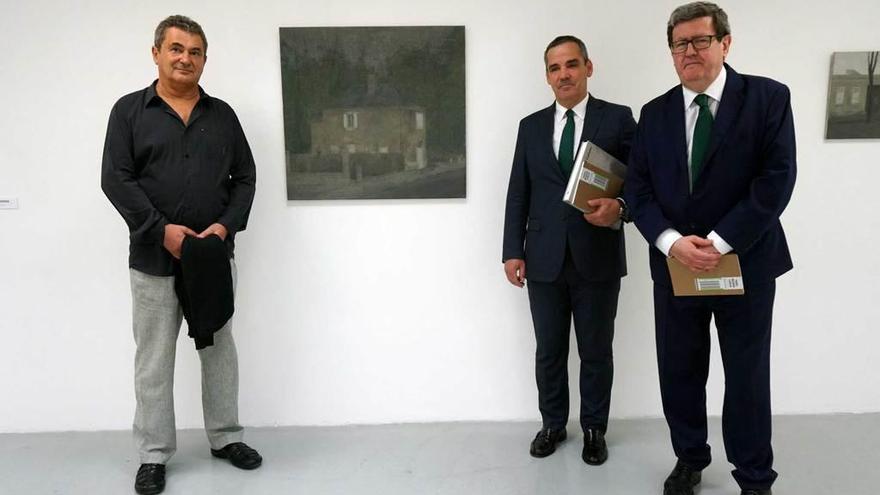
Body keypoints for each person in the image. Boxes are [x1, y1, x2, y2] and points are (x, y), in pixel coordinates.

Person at [625, 3, 796, 495]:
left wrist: (717, 243)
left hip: (746, 262)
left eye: (701, 40)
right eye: (680, 44)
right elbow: (638, 191)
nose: (690, 51)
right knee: (679, 369)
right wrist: (673, 242)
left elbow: (775, 182)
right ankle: (690, 456)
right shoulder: (654, 114)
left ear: (726, 42)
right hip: (676, 267)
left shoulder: (767, 98)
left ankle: (755, 475)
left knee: (746, 375)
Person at [101, 15, 260, 495]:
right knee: (154, 358)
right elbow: (116, 179)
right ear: (156, 54)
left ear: (204, 60)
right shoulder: (129, 112)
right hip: (153, 258)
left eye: (194, 51)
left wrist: (223, 227)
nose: (184, 58)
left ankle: (226, 438)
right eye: (175, 49)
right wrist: (159, 230)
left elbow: (246, 179)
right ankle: (153, 455)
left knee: (218, 352)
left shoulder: (223, 116)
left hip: (211, 257)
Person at [502, 35, 636, 466]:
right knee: (549, 349)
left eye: (572, 64)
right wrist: (511, 250)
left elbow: (641, 179)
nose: (564, 74)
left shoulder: (617, 119)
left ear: (588, 67)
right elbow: (518, 193)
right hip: (542, 257)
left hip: (597, 253)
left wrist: (620, 207)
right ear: (547, 76)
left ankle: (594, 428)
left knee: (597, 350)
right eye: (555, 68)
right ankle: (553, 424)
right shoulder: (530, 126)